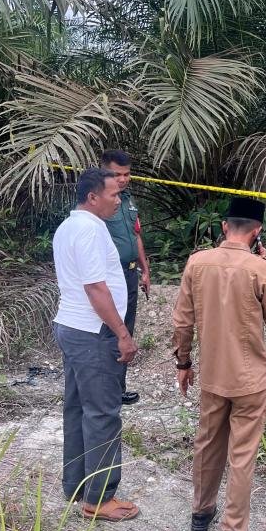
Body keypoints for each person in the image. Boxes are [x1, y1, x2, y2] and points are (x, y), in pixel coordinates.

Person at [172, 197, 266, 531]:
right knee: (241, 455)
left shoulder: (196, 262)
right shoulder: (260, 268)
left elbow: (181, 321)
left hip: (211, 375)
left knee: (207, 442)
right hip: (249, 379)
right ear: (257, 232)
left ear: (225, 226)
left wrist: (184, 362)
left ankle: (201, 513)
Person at [52, 167, 140, 522]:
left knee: (78, 407)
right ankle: (99, 499)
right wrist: (122, 332)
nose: (118, 200)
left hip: (72, 327)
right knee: (103, 413)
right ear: (92, 197)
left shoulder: (69, 226)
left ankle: (77, 485)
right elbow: (95, 288)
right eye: (113, 194)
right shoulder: (88, 229)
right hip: (93, 333)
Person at [100, 149, 151, 406]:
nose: (122, 179)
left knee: (126, 331)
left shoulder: (128, 200)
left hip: (130, 273)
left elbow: (136, 235)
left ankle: (117, 389)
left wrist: (145, 269)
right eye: (116, 174)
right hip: (109, 277)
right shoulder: (98, 201)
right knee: (110, 331)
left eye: (127, 174)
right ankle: (104, 389)